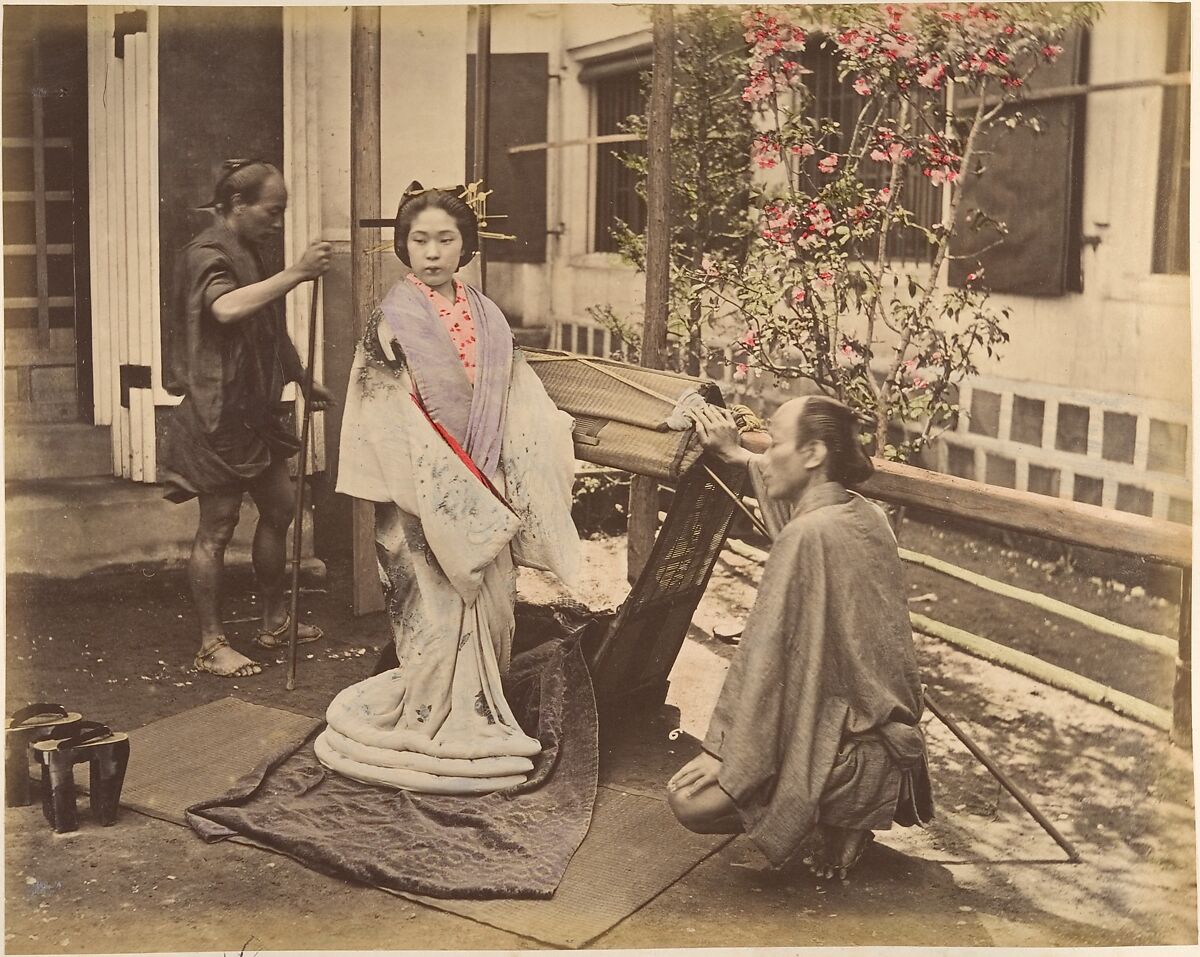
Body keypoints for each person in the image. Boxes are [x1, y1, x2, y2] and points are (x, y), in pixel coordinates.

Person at [314, 183, 580, 794]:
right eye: (419, 240)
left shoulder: (485, 313)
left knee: (488, 606)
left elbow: (514, 395)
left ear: (467, 247)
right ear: (403, 246)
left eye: (446, 239)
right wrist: (442, 489)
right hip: (419, 491)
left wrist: (513, 459)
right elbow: (383, 414)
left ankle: (481, 710)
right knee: (430, 612)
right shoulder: (390, 321)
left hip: (484, 478)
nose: (431, 252)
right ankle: (432, 714)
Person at [667, 397, 933, 880]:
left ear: (812, 454)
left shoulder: (807, 536)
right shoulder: (867, 515)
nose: (765, 456)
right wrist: (737, 455)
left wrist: (723, 752)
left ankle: (824, 817)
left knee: (687, 801)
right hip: (887, 751)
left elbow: (761, 659)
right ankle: (846, 816)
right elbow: (801, 511)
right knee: (796, 720)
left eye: (775, 443)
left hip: (844, 753)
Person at [163, 159, 337, 679]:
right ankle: (211, 644)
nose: (280, 222)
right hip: (217, 414)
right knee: (217, 528)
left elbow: (268, 322)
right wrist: (298, 273)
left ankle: (274, 619)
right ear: (237, 205)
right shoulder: (205, 254)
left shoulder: (252, 251)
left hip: (255, 410)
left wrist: (301, 376)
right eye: (273, 210)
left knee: (281, 510)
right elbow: (225, 310)